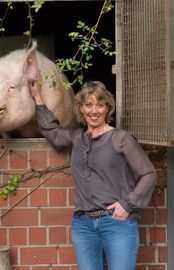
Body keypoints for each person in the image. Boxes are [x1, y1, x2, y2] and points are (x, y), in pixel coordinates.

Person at [29, 78, 157, 270]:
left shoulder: (121, 139)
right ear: (80, 108)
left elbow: (149, 174)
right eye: (88, 105)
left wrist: (127, 204)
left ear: (108, 108)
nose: (94, 110)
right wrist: (37, 97)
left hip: (116, 223)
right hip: (83, 226)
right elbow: (53, 133)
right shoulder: (77, 138)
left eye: (100, 105)